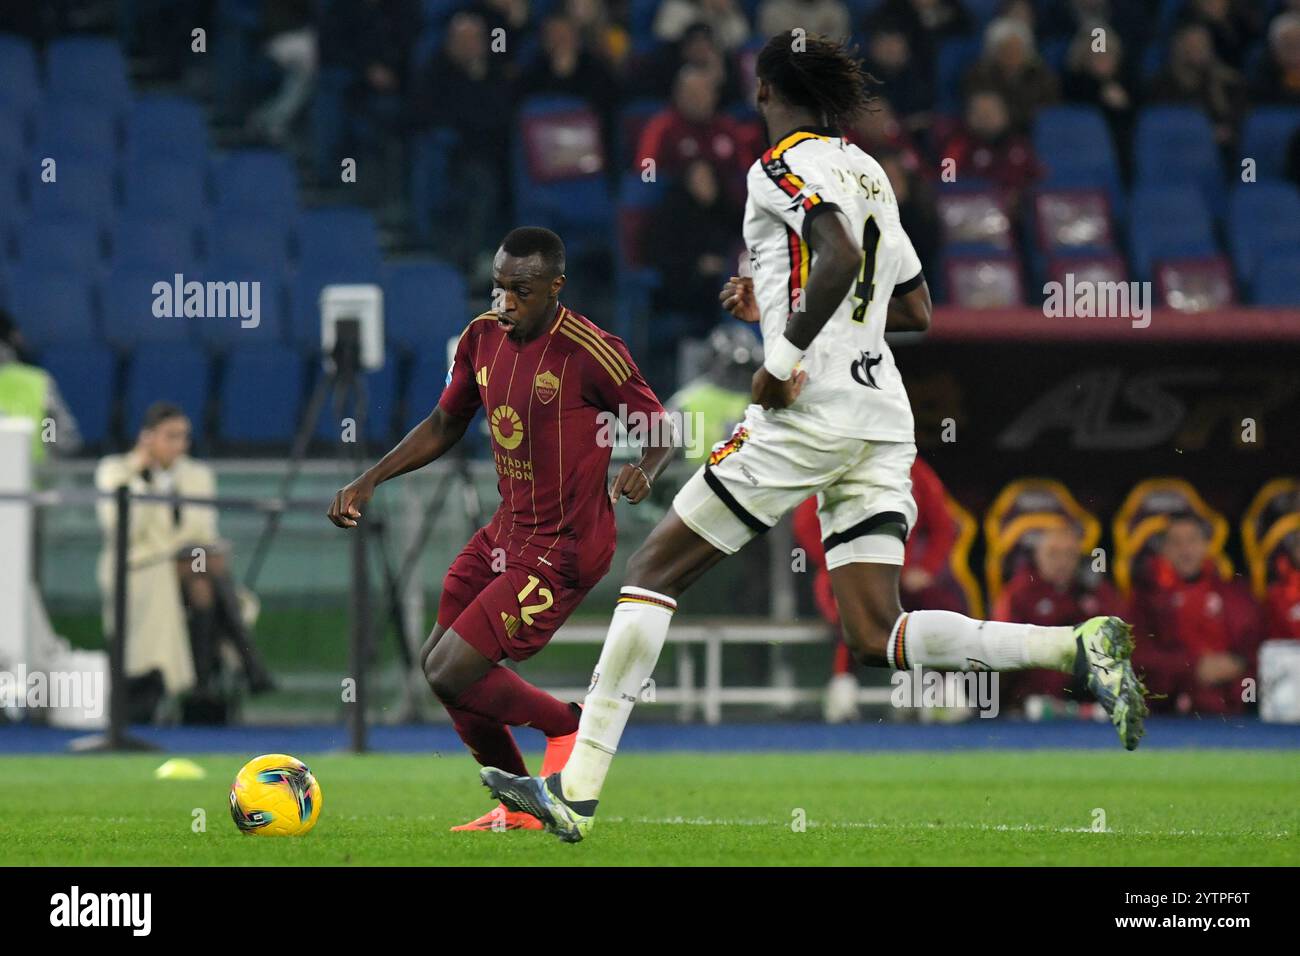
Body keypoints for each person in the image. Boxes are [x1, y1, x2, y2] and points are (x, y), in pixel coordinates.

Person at [482, 36, 1148, 843]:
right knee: (874, 632)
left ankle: (576, 790)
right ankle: (1073, 648)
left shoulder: (777, 167)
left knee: (652, 571)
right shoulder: (870, 171)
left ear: (764, 92)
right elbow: (912, 310)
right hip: (881, 418)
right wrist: (773, 304)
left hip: (810, 412)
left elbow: (832, 254)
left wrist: (781, 357)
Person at [328, 228, 672, 831]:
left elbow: (664, 428)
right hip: (506, 534)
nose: (505, 302)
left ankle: (566, 724)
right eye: (499, 288)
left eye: (522, 291)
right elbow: (444, 422)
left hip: (564, 548)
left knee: (450, 670)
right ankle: (520, 809)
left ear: (555, 288)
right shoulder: (480, 339)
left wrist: (644, 468)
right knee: (440, 666)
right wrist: (371, 478)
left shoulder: (591, 351)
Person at [96, 403, 274, 724]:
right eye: (172, 436)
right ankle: (245, 664)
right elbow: (124, 530)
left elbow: (203, 530)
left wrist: (181, 551)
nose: (181, 444)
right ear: (147, 438)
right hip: (140, 569)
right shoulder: (116, 471)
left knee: (202, 577)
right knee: (204, 573)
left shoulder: (197, 475)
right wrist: (142, 476)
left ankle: (206, 685)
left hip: (189, 563)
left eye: (185, 437)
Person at [794, 456, 967, 723]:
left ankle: (944, 689)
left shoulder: (913, 468)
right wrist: (841, 564)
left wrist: (927, 568)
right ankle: (843, 690)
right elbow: (805, 524)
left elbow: (944, 526)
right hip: (845, 573)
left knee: (942, 606)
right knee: (852, 612)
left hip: (898, 575)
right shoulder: (837, 463)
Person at [1131, 513, 1262, 717]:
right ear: (1164, 550)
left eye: (1192, 540)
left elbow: (1255, 649)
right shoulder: (1146, 599)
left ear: (1206, 546)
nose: (1185, 550)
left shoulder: (1235, 595)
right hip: (1167, 714)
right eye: (1176, 542)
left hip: (1233, 712)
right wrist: (1193, 667)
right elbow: (1137, 656)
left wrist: (1236, 665)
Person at [992, 520, 1126, 711]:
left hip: (1083, 691)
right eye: (1053, 554)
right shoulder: (1018, 594)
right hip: (1029, 696)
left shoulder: (1097, 592)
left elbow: (1120, 639)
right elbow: (1003, 648)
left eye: (1069, 555)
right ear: (1037, 555)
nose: (1062, 562)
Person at [0, 310, 81, 461]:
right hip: (35, 478)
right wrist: (49, 448)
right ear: (13, 338)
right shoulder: (37, 381)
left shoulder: (38, 381)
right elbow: (54, 428)